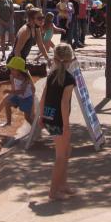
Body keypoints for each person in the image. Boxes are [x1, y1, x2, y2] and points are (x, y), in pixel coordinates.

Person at [40, 43, 77, 200]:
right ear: (70, 60)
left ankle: (63, 184)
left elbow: (42, 98)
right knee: (61, 156)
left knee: (67, 150)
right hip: (59, 120)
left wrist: (41, 118)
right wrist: (66, 126)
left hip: (49, 117)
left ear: (55, 59)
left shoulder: (51, 76)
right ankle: (53, 192)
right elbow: (64, 103)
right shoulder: (69, 79)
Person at [0, 55, 36, 129]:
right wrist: (2, 83)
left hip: (27, 98)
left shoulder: (25, 78)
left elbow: (22, 91)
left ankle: (36, 130)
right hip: (17, 96)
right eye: (10, 69)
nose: (11, 71)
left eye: (13, 69)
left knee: (28, 118)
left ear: (19, 70)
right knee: (7, 103)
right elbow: (10, 82)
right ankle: (8, 122)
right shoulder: (12, 75)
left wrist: (9, 91)